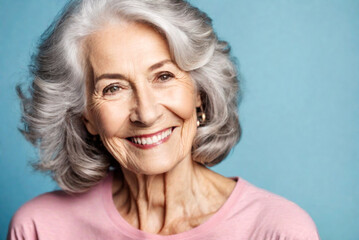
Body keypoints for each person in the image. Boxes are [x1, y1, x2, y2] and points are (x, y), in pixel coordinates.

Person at [8, 0, 320, 239]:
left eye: (164, 76)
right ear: (85, 115)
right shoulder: (39, 227)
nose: (146, 113)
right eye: (113, 87)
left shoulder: (278, 229)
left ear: (199, 92)